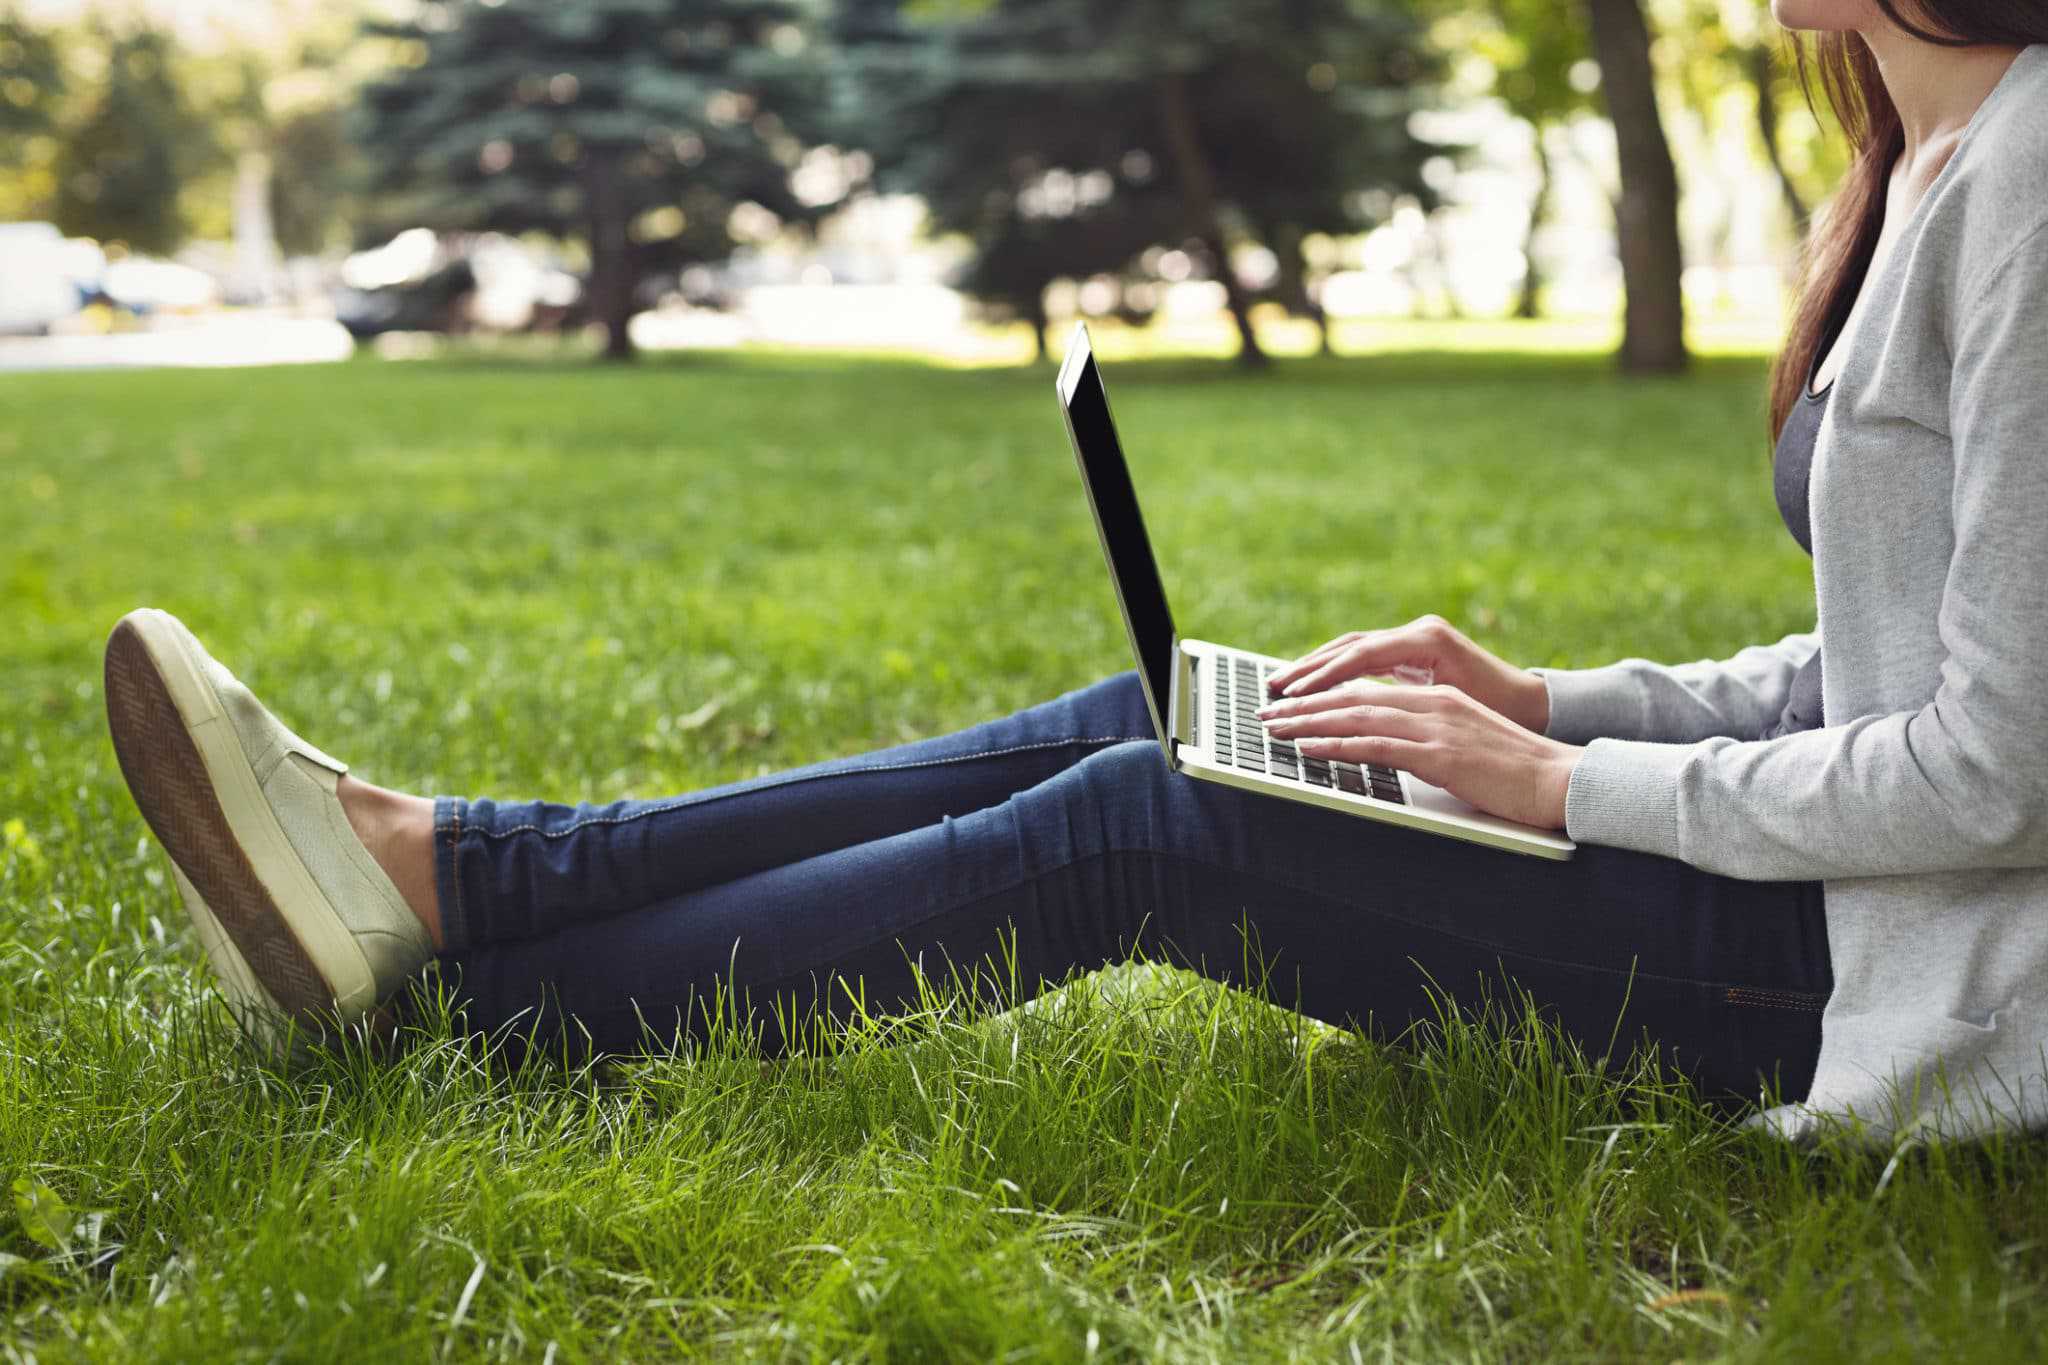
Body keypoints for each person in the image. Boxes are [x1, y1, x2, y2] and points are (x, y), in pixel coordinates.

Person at [104, 6, 2048, 1142]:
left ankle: (472, 1008)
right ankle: (462, 869)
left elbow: (1990, 763)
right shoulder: (1926, 161)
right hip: (1799, 881)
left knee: (1152, 823)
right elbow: (1874, 653)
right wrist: (1543, 700)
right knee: (1173, 709)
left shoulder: (2033, 180)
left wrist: (1565, 788)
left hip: (1860, 974)